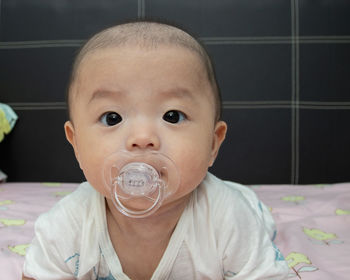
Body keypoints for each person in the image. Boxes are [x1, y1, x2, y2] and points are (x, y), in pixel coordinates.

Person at [22, 20, 289, 279]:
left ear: (212, 143)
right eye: (111, 117)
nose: (142, 138)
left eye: (172, 115)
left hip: (246, 208)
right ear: (76, 143)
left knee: (255, 214)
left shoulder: (229, 219)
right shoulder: (69, 223)